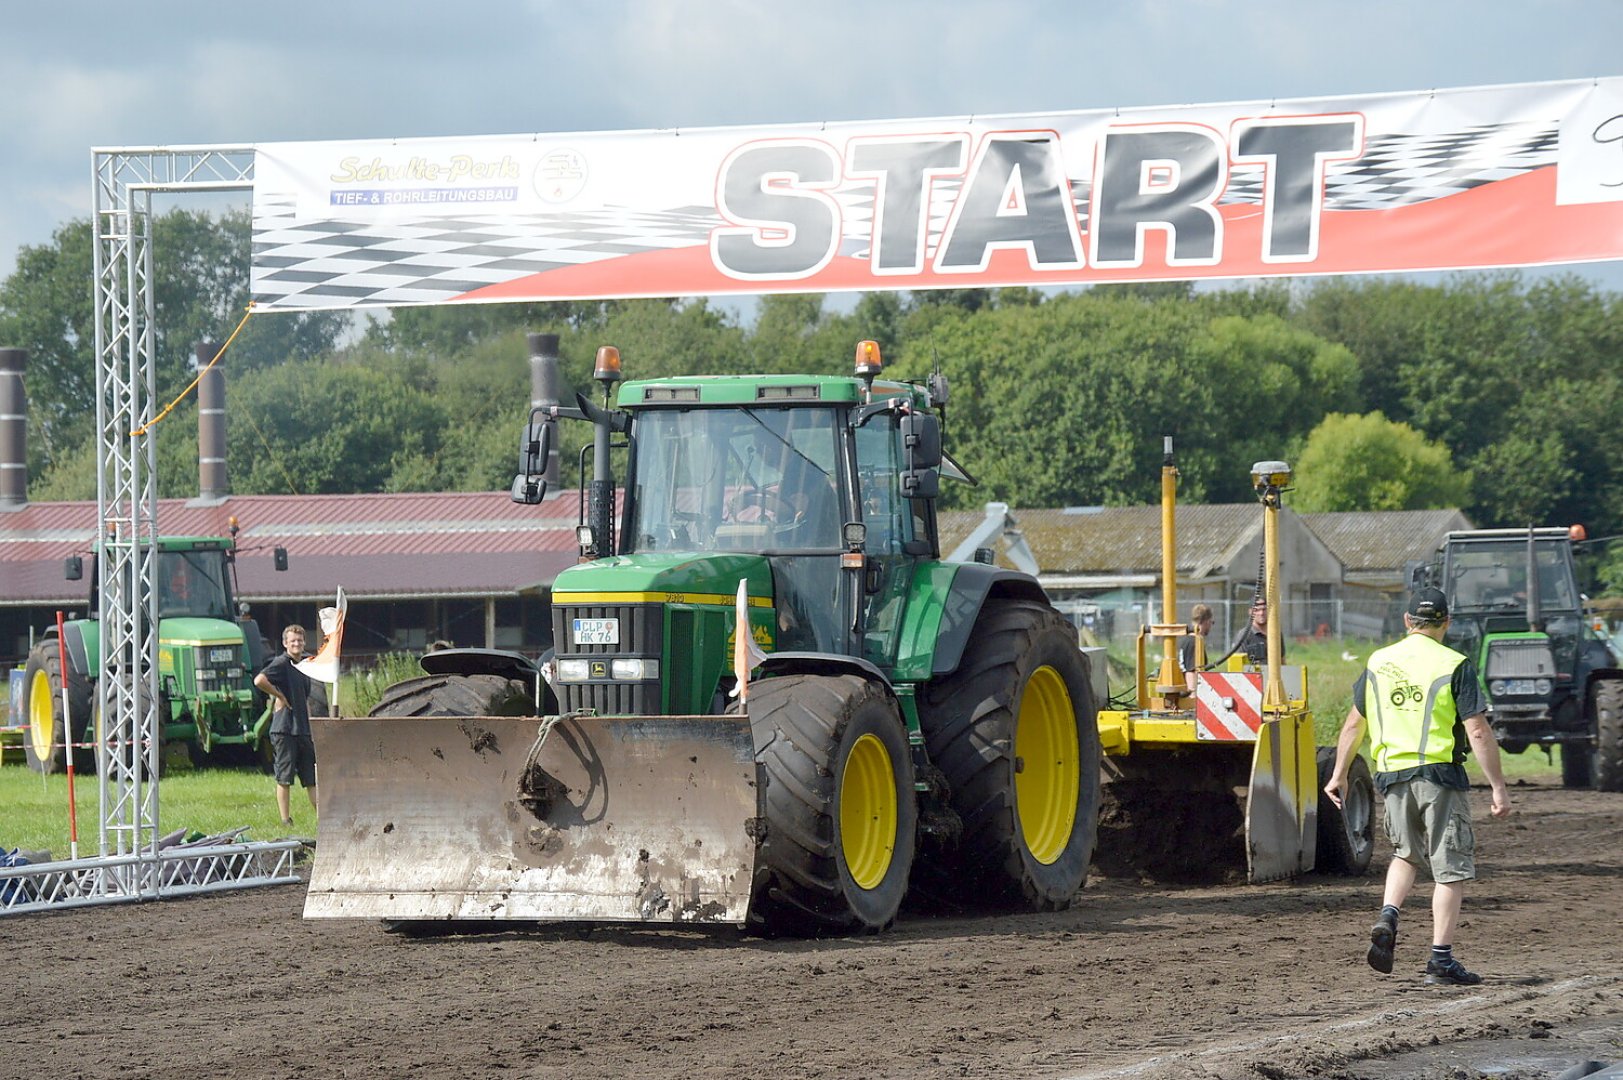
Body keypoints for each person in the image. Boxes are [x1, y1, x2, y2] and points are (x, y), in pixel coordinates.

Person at [1324, 586, 1511, 986]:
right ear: (1447, 622)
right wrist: (1498, 786)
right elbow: (1476, 731)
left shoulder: (1379, 661)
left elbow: (1355, 723)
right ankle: (1441, 960)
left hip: (1392, 776)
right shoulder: (1454, 663)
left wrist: (1339, 773)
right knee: (1450, 869)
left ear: (1407, 621)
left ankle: (1389, 913)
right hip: (1439, 777)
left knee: (1405, 854)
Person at [254, 624, 318, 827]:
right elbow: (259, 680)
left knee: (311, 778)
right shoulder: (281, 663)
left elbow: (305, 698)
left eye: (299, 640)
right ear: (285, 644)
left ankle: (323, 819)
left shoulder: (306, 664)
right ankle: (285, 820)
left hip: (303, 729)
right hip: (284, 729)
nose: (297, 644)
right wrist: (278, 695)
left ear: (304, 642)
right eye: (292, 641)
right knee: (284, 777)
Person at [1181, 603, 1214, 692]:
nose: (1211, 626)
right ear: (1206, 621)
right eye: (1212, 622)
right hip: (1188, 696)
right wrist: (1193, 698)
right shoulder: (1195, 642)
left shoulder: (1188, 640)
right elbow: (1191, 672)